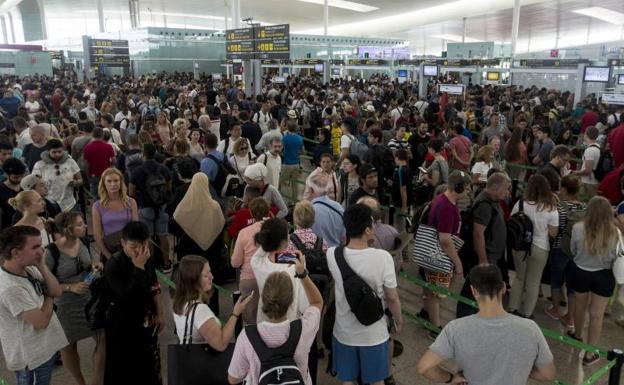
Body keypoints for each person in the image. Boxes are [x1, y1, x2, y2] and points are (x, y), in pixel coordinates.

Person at [417, 264, 556, 385]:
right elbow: (548, 374)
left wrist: (450, 378)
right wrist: (520, 367)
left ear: (473, 291)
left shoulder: (456, 328)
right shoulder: (530, 328)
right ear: (503, 287)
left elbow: (424, 367)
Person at [326, 203, 403, 385]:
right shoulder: (383, 258)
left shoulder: (332, 254)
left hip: (344, 332)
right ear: (368, 230)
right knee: (377, 381)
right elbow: (392, 297)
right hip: (374, 334)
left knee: (348, 381)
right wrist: (398, 319)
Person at [228, 265, 323, 385]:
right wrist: (302, 274)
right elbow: (317, 302)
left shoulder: (247, 336)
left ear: (263, 299)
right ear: (291, 301)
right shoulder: (304, 328)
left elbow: (233, 378)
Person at [0, 225, 68, 385]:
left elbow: (57, 290)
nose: (42, 251)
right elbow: (41, 321)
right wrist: (48, 295)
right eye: (35, 247)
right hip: (32, 359)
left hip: (44, 348)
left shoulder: (29, 268)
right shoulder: (11, 289)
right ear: (15, 253)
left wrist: (42, 267)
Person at [46, 212, 104, 385]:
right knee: (69, 345)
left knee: (103, 339)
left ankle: (97, 380)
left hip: (91, 299)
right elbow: (46, 285)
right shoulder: (51, 253)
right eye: (80, 224)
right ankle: (80, 382)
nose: (85, 226)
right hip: (66, 305)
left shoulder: (84, 241)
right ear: (67, 229)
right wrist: (70, 287)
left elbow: (88, 263)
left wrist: (94, 266)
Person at [103, 221, 164, 385]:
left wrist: (160, 312)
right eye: (133, 246)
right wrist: (138, 268)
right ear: (123, 243)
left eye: (143, 244)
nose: (139, 250)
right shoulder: (113, 265)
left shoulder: (147, 257)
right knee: (126, 370)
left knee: (150, 366)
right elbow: (126, 296)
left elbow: (154, 286)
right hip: (123, 326)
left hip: (146, 321)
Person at [568, 196, 619, 366]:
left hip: (580, 271)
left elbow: (572, 250)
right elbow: (615, 257)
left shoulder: (577, 228)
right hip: (603, 275)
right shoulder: (615, 232)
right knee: (597, 316)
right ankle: (590, 354)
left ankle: (577, 335)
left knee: (580, 306)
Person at [456, 172, 510, 318]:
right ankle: (463, 319)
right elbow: (478, 234)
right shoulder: (485, 205)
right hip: (484, 258)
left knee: (478, 290)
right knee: (471, 291)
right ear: (495, 188)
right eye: (505, 189)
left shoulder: (492, 201)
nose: (506, 193)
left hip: (491, 256)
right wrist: (483, 261)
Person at [172, 255, 253, 349]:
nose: (212, 277)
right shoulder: (200, 310)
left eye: (210, 272)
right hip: (201, 361)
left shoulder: (179, 302)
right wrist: (235, 314)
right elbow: (221, 344)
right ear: (194, 280)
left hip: (188, 358)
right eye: (206, 275)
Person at [423, 171, 469, 332]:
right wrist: (458, 263)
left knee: (429, 288)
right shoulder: (448, 207)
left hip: (432, 253)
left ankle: (426, 313)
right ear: (458, 187)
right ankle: (435, 328)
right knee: (437, 293)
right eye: (467, 188)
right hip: (440, 256)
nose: (468, 192)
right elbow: (445, 239)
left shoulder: (441, 199)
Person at [508, 174, 559, 318]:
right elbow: (553, 233)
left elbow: (511, 220)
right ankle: (527, 313)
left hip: (520, 245)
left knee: (519, 277)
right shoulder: (551, 209)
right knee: (533, 282)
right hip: (540, 247)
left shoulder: (521, 204)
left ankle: (512, 308)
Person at [172, 173, 225, 297]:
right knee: (210, 283)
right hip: (212, 253)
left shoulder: (184, 207)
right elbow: (221, 228)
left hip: (189, 253)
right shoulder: (215, 207)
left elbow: (174, 228)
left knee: (191, 284)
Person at [251, 218, 311, 323]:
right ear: (284, 240)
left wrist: (270, 230)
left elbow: (260, 252)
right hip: (289, 324)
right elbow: (304, 305)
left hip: (264, 321)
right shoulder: (295, 268)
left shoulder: (257, 263)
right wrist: (303, 270)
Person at [545, 174, 585, 328]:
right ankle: (570, 318)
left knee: (556, 281)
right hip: (577, 252)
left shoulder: (560, 207)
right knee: (572, 285)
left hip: (559, 248)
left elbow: (556, 229)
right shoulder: (584, 207)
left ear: (564, 189)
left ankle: (555, 310)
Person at [129, 143, 172, 271]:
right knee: (163, 235)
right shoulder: (163, 169)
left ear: (143, 154)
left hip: (145, 207)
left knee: (148, 237)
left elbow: (131, 193)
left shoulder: (137, 171)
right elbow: (169, 187)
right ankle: (166, 263)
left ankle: (151, 263)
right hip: (162, 207)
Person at [231, 197, 270, 325]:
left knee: (250, 320)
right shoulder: (277, 230)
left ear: (251, 213)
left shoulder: (244, 233)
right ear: (268, 211)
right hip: (271, 278)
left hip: (249, 279)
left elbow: (235, 263)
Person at [92, 168, 139, 260]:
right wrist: (109, 256)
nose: (113, 184)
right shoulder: (97, 206)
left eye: (116, 180)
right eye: (109, 181)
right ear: (104, 183)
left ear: (121, 182)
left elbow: (136, 228)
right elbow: (97, 235)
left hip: (130, 248)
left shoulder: (131, 202)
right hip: (111, 249)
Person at [32, 138, 82, 212]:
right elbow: (35, 184)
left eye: (59, 151)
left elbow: (80, 179)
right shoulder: (40, 165)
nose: (57, 154)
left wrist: (75, 183)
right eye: (54, 152)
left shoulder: (70, 162)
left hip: (69, 204)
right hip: (50, 204)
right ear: (48, 151)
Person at [83, 127, 115, 196]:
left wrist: (87, 174)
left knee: (95, 196)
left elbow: (85, 164)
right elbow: (114, 160)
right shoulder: (108, 147)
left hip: (93, 175)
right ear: (102, 135)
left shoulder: (87, 147)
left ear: (92, 135)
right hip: (106, 174)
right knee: (107, 194)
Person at [574, 125, 601, 199]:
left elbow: (588, 171)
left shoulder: (590, 150)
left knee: (585, 203)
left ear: (586, 135)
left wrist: (576, 173)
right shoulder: (597, 146)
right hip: (593, 181)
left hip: (589, 182)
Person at [0, 158, 26, 229]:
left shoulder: (25, 187)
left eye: (21, 176)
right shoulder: (1, 190)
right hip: (7, 230)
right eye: (15, 177)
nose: (19, 179)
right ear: (6, 174)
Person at [281, 121, 304, 200]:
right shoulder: (300, 138)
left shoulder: (284, 138)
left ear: (287, 128)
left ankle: (284, 200)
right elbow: (302, 151)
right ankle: (294, 202)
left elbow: (280, 150)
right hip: (296, 163)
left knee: (283, 183)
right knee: (295, 184)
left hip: (286, 163)